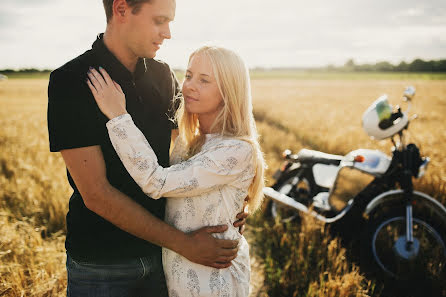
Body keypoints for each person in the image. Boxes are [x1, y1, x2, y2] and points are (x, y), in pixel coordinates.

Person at [47, 0, 248, 296]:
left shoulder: (163, 76)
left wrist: (228, 204)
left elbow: (190, 156)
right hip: (103, 263)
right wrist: (185, 244)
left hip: (166, 260)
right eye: (159, 21)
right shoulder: (73, 80)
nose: (167, 33)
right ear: (122, 9)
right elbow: (96, 195)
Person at [86, 45, 265, 297]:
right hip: (176, 275)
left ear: (229, 91)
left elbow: (156, 182)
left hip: (213, 281)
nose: (189, 86)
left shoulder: (235, 150)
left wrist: (117, 115)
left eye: (204, 80)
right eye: (189, 75)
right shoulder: (190, 140)